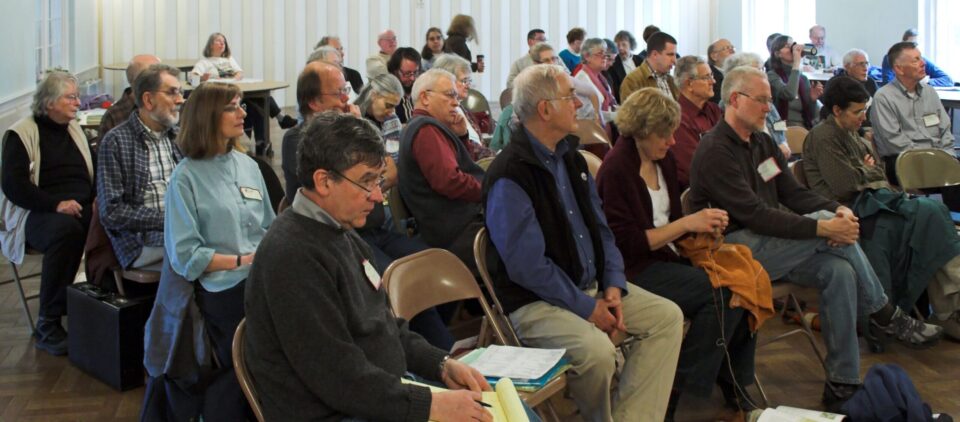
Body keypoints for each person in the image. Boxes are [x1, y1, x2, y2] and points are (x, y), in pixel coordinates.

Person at [687, 66, 943, 411]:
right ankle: (884, 312)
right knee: (828, 226)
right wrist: (824, 227)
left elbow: (793, 194)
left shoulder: (760, 142)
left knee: (840, 271)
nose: (769, 107)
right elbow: (754, 215)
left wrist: (837, 210)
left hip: (772, 243)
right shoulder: (716, 150)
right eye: (762, 100)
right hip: (733, 251)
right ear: (736, 99)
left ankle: (842, 383)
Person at [244, 112, 504, 422]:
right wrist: (430, 405)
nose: (379, 196)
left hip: (378, 394)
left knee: (498, 406)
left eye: (378, 180)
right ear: (324, 181)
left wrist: (441, 364)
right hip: (337, 411)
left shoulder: (340, 232)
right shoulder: (291, 255)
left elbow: (384, 325)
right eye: (367, 181)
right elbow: (338, 377)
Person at [484, 64, 683, 421]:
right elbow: (528, 268)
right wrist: (587, 308)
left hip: (588, 287)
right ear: (545, 109)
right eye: (569, 97)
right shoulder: (510, 174)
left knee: (666, 318)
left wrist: (612, 285)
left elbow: (602, 230)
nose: (579, 104)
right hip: (535, 302)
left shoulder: (572, 159)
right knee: (596, 353)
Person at [596, 87, 759, 419]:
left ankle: (727, 380)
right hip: (632, 269)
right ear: (641, 131)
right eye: (664, 135)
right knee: (723, 293)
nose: (672, 142)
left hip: (665, 257)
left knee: (747, 282)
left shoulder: (662, 159)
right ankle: (681, 386)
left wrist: (702, 227)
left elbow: (668, 224)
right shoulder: (616, 170)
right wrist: (688, 223)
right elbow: (628, 245)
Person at [145, 81, 275, 420]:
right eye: (232, 107)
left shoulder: (249, 166)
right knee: (264, 346)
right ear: (208, 116)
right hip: (222, 285)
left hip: (260, 275)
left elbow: (268, 226)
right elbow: (186, 256)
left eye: (241, 105)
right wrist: (243, 260)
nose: (243, 113)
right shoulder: (185, 178)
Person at [803, 76, 960, 340]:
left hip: (873, 202)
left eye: (864, 110)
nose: (863, 117)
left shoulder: (853, 135)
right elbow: (845, 185)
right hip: (847, 210)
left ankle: (950, 309)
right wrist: (866, 170)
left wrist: (867, 171)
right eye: (857, 111)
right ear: (837, 110)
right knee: (924, 219)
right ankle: (897, 315)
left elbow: (878, 172)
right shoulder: (823, 136)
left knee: (933, 214)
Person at [352, 73, 455, 349]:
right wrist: (377, 183)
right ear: (372, 96)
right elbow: (387, 173)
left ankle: (437, 342)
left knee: (439, 265)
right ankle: (440, 351)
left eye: (395, 106)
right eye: (387, 105)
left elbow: (394, 172)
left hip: (381, 224)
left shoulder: (391, 121)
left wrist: (369, 185)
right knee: (408, 283)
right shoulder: (354, 128)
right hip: (356, 233)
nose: (391, 113)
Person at [0, 70, 94, 356]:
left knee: (111, 220)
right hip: (36, 211)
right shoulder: (22, 134)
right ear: (50, 102)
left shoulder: (74, 129)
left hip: (78, 206)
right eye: (71, 98)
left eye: (77, 97)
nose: (78, 103)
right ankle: (48, 324)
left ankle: (99, 304)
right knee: (66, 232)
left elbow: (94, 169)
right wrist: (56, 204)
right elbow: (14, 187)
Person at [96, 64, 184, 272]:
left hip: (183, 231)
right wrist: (170, 220)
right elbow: (111, 212)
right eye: (172, 93)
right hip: (142, 241)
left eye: (180, 92)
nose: (180, 100)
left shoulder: (179, 137)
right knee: (204, 253)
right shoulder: (117, 141)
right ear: (148, 100)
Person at [398, 69, 484, 271]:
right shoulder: (426, 130)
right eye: (450, 95)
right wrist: (491, 189)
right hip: (457, 234)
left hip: (455, 227)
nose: (456, 102)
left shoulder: (427, 127)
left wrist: (462, 137)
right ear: (425, 97)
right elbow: (450, 181)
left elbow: (459, 169)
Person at [871, 41, 959, 212]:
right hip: (903, 162)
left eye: (921, 58)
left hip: (938, 158)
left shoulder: (929, 92)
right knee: (954, 180)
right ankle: (951, 226)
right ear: (899, 69)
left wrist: (947, 156)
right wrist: (933, 158)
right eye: (915, 60)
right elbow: (894, 142)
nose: (923, 63)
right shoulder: (884, 98)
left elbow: (945, 131)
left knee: (953, 173)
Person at [191, 32, 297, 155]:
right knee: (260, 102)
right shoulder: (205, 62)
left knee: (262, 99)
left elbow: (240, 72)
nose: (222, 44)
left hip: (239, 91)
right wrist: (203, 77)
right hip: (224, 98)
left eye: (224, 42)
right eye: (218, 41)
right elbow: (193, 77)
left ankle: (262, 142)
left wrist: (236, 77)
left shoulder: (229, 59)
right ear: (210, 45)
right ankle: (279, 120)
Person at [282, 61, 361, 201]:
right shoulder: (296, 140)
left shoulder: (342, 129)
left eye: (345, 90)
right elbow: (334, 188)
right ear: (314, 102)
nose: (346, 98)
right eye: (339, 93)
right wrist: (352, 132)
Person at [723, 52, 792, 160]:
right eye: (756, 71)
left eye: (762, 70)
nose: (763, 75)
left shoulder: (768, 103)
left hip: (776, 155)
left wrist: (783, 143)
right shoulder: (729, 103)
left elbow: (779, 124)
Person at [432, 54, 495, 160]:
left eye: (469, 81)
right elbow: (465, 149)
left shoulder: (460, 107)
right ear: (447, 80)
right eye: (464, 81)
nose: (468, 85)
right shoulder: (444, 113)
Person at [673, 55, 721, 189]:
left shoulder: (714, 109)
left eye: (711, 75)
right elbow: (696, 167)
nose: (713, 81)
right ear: (689, 84)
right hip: (703, 192)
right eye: (707, 77)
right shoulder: (678, 119)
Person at [767, 35, 823, 129]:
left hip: (802, 125)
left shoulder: (803, 78)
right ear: (777, 54)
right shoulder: (772, 75)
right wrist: (796, 63)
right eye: (787, 46)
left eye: (793, 45)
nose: (792, 49)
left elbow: (812, 115)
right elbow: (789, 94)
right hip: (780, 124)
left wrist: (812, 100)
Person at [98, 54, 160, 139]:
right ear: (137, 81)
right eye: (155, 77)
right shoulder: (114, 116)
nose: (162, 82)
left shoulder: (168, 109)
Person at [881, 29, 953, 87]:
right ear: (902, 44)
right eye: (910, 44)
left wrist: (927, 81)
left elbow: (948, 80)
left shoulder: (922, 60)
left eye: (916, 45)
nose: (913, 48)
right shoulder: (890, 59)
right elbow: (887, 83)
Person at [620, 31, 679, 102]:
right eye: (670, 55)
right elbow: (631, 112)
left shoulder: (671, 80)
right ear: (654, 54)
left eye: (675, 55)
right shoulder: (632, 81)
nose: (675, 61)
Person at [572, 38, 618, 129]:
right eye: (600, 53)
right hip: (590, 132)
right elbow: (586, 114)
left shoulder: (601, 77)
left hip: (605, 128)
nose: (605, 57)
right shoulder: (581, 79)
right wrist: (616, 115)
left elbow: (610, 104)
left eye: (605, 53)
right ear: (587, 56)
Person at [387, 47, 422, 124]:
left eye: (415, 72)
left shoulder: (421, 92)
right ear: (394, 71)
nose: (412, 78)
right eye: (407, 73)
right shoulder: (387, 98)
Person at [608, 30, 642, 104]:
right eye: (618, 45)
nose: (620, 48)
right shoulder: (612, 65)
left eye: (624, 45)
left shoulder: (640, 60)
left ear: (631, 45)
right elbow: (615, 90)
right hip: (624, 102)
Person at [707, 39, 735, 103]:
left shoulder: (736, 73)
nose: (732, 51)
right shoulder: (710, 77)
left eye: (732, 48)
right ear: (714, 56)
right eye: (727, 48)